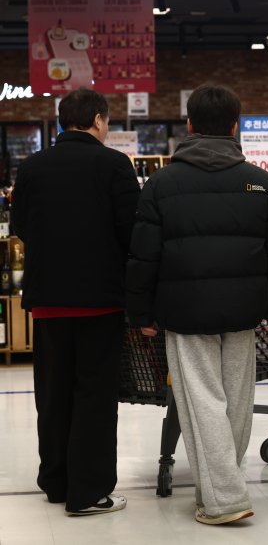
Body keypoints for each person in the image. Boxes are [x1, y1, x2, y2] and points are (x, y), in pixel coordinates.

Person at [126, 84, 268, 525]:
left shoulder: (161, 184)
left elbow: (143, 256)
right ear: (236, 126)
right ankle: (222, 487)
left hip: (184, 311)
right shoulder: (262, 184)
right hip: (244, 312)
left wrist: (141, 313)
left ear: (189, 125)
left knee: (202, 403)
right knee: (236, 400)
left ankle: (223, 499)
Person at [11, 89, 140, 515]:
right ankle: (89, 491)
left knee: (52, 393)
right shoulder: (114, 165)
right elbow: (131, 233)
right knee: (94, 395)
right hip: (100, 299)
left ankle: (56, 482)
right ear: (99, 120)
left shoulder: (32, 166)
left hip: (48, 299)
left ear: (63, 120)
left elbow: (20, 227)